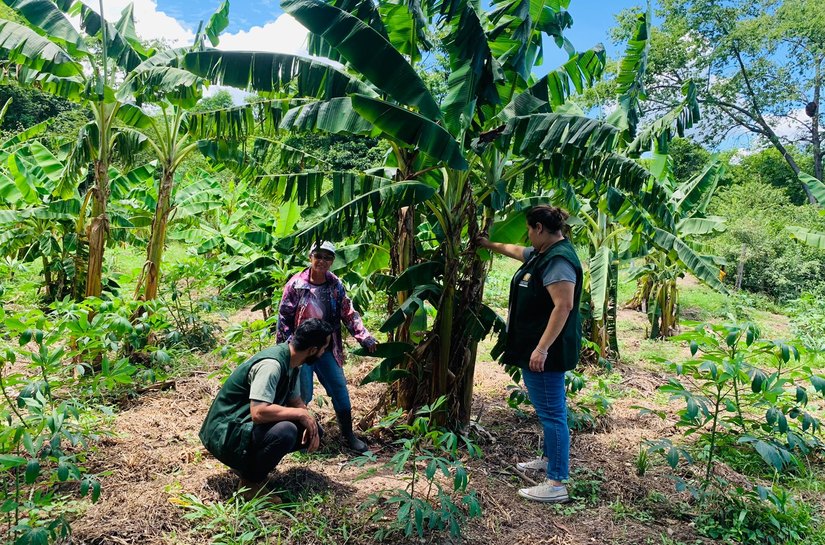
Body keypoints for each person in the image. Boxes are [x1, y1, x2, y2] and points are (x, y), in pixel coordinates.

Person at [477, 205, 583, 504]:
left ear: (539, 228)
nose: (526, 235)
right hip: (537, 347)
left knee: (553, 414)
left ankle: (557, 482)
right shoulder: (544, 252)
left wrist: (541, 348)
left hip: (546, 351)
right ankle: (549, 461)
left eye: (528, 229)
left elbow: (564, 306)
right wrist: (488, 244)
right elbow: (517, 251)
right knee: (550, 409)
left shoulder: (558, 260)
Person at [199, 318, 334, 498]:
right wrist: (300, 414)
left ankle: (249, 466)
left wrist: (309, 420)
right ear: (313, 350)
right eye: (324, 349)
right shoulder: (272, 366)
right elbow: (259, 412)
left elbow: (295, 400)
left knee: (311, 428)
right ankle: (249, 484)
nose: (324, 353)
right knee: (285, 431)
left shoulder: (293, 363)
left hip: (242, 426)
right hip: (225, 432)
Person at [277, 241, 377, 453]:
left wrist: (364, 336)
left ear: (332, 261)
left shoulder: (335, 285)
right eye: (318, 256)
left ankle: (349, 436)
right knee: (302, 393)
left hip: (327, 348)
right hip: (302, 350)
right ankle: (302, 438)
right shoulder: (296, 285)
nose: (322, 261)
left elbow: (348, 313)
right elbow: (284, 318)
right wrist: (286, 350)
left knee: (339, 388)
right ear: (310, 257)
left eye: (327, 257)